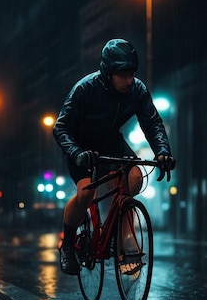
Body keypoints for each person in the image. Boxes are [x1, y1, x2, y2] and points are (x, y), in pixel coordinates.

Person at [52, 38, 175, 275]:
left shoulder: (137, 89)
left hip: (111, 143)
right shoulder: (85, 89)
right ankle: (68, 245)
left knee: (135, 179)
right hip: (81, 147)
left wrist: (163, 153)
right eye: (122, 75)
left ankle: (117, 236)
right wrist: (77, 153)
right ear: (108, 72)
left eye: (131, 73)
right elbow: (60, 128)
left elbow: (152, 123)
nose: (128, 80)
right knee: (86, 192)